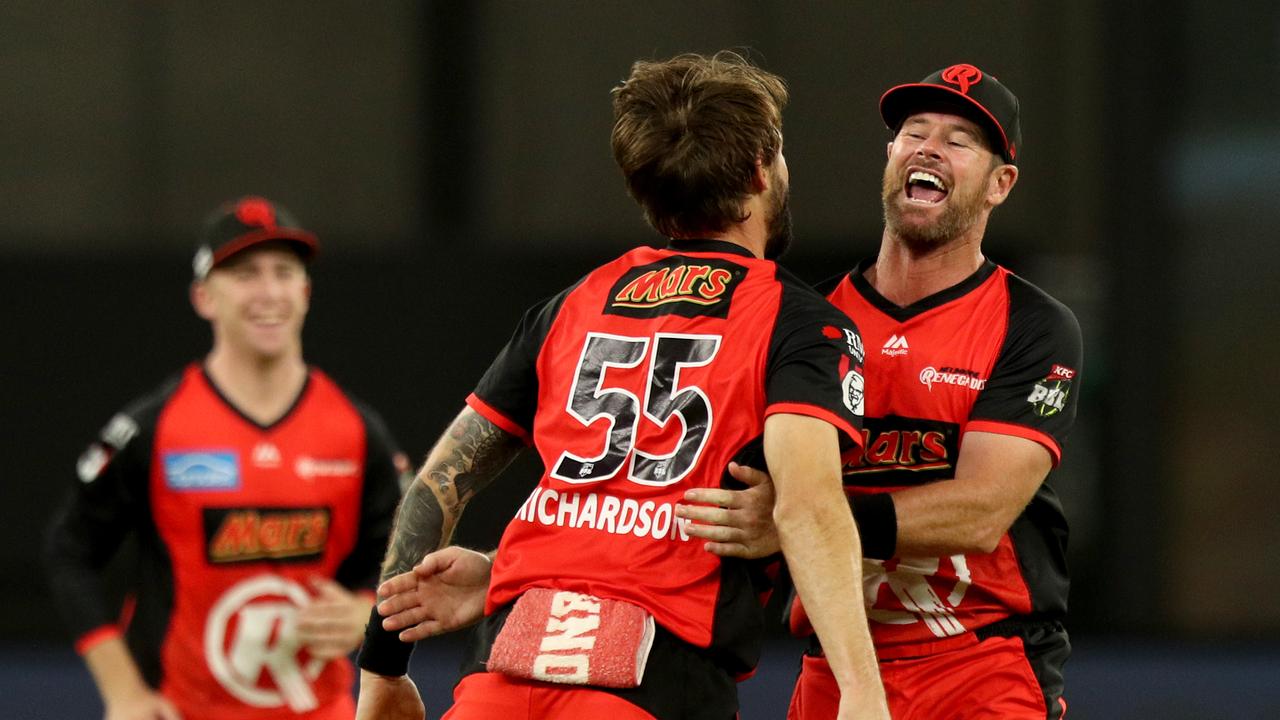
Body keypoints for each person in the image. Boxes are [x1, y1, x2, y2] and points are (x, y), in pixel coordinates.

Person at [354, 52, 890, 720]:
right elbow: (808, 506)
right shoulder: (801, 323)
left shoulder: (573, 304)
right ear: (760, 169)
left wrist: (381, 670)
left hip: (501, 670)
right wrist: (864, 691)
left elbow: (437, 490)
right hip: (658, 680)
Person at [676, 63, 1083, 719]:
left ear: (1000, 184)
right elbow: (719, 501)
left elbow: (982, 512)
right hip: (834, 666)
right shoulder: (805, 322)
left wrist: (799, 521)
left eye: (958, 139)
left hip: (981, 665)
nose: (927, 146)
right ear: (890, 158)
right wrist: (507, 572)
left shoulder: (1031, 323)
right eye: (913, 131)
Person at [43, 196, 407, 720]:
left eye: (284, 272)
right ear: (203, 297)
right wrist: (122, 691)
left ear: (305, 292)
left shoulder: (355, 430)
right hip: (181, 709)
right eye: (244, 273)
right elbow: (68, 549)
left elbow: (402, 556)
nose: (268, 292)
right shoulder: (155, 427)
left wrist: (365, 612)